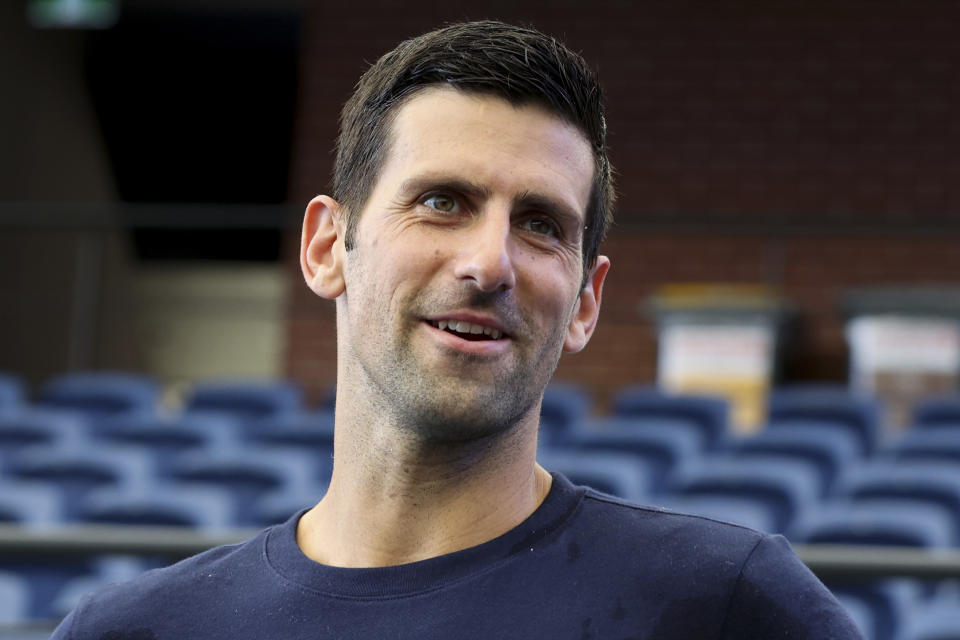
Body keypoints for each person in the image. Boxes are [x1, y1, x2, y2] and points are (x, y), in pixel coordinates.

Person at [53, 20, 862, 639]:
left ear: (586, 302)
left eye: (541, 223)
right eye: (443, 201)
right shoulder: (135, 631)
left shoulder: (726, 607)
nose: (490, 262)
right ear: (328, 247)